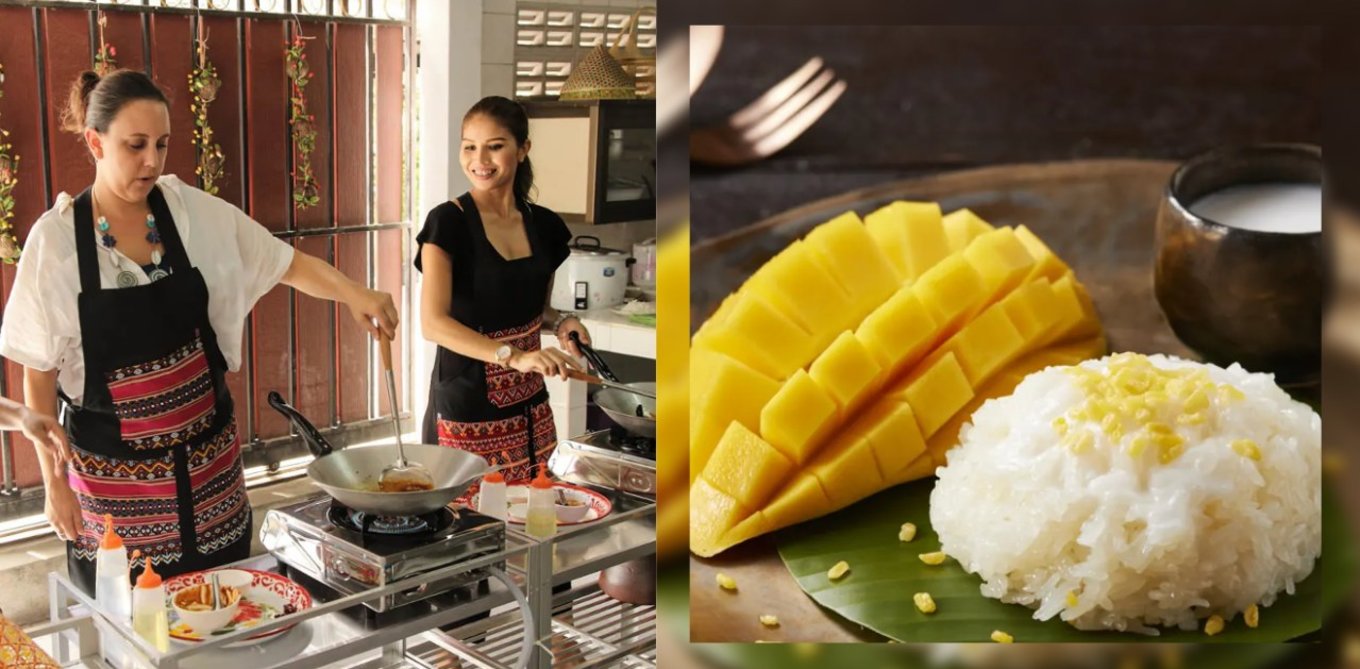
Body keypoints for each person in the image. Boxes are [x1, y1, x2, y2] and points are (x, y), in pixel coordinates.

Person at [0, 69, 398, 594]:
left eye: (161, 145)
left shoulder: (190, 216)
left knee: (228, 620)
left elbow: (284, 262)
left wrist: (354, 292)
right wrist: (55, 485)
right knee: (136, 634)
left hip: (213, 487)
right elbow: (38, 372)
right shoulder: (57, 243)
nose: (152, 161)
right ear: (95, 142)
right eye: (135, 145)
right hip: (115, 497)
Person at [415, 96, 591, 485]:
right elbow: (433, 323)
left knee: (540, 512)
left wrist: (564, 323)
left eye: (495, 146)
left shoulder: (545, 226)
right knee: (471, 529)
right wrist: (514, 358)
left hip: (531, 404)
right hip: (467, 408)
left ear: (523, 149)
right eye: (470, 146)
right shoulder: (447, 224)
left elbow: (528, 309)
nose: (480, 159)